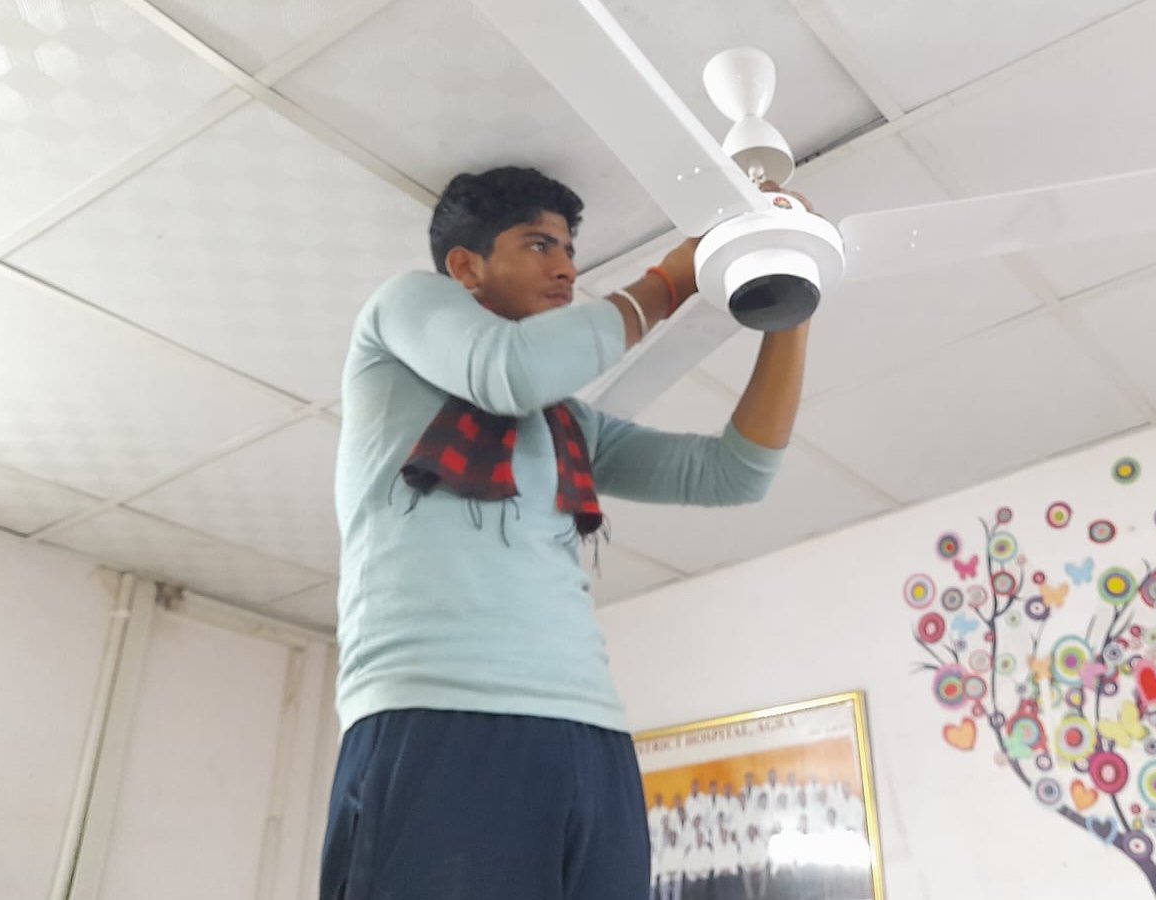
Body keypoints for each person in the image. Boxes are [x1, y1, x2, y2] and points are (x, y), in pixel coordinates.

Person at [320, 166, 812, 899]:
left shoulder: (568, 424)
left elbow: (732, 474)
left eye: (569, 250)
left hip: (590, 734)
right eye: (538, 244)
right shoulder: (400, 307)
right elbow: (507, 370)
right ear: (465, 267)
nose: (566, 269)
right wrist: (669, 283)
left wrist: (792, 303)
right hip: (435, 708)